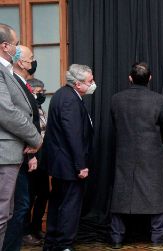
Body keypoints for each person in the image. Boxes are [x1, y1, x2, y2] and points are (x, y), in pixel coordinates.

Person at [110, 63, 163, 248]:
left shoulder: (116, 99)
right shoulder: (158, 100)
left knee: (121, 195)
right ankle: (157, 238)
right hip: (151, 156)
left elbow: (115, 125)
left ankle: (116, 238)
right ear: (150, 78)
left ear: (130, 78)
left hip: (124, 154)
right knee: (153, 195)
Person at [42, 64, 94, 251]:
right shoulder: (70, 100)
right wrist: (81, 165)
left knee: (58, 203)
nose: (93, 84)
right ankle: (64, 245)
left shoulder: (63, 94)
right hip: (69, 165)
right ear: (78, 84)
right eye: (89, 81)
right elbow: (73, 135)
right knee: (69, 206)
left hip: (60, 164)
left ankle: (52, 243)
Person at [0, 24, 42, 249]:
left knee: (9, 212)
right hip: (5, 152)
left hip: (14, 152)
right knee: (4, 214)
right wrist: (36, 138)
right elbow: (7, 112)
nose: (17, 49)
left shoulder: (7, 72)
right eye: (15, 44)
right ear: (5, 46)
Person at [23, 78, 49, 244]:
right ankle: (25, 232)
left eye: (43, 91)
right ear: (30, 91)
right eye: (39, 92)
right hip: (31, 156)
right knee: (29, 197)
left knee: (44, 194)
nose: (42, 94)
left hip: (43, 156)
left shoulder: (40, 108)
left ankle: (36, 227)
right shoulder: (27, 109)